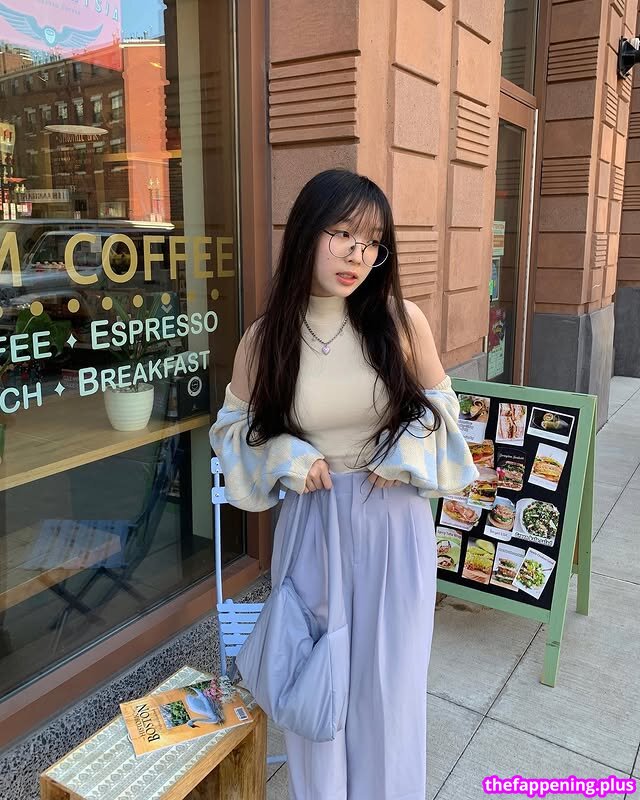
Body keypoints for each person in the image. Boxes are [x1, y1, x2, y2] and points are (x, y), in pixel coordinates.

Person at [209, 168, 477, 800]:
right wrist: (288, 455)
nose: (358, 253)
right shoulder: (266, 338)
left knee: (390, 692)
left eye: (372, 242)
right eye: (343, 234)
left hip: (394, 526)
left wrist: (400, 451)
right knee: (315, 681)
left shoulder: (401, 322)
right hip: (314, 525)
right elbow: (231, 432)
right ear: (307, 232)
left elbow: (445, 413)